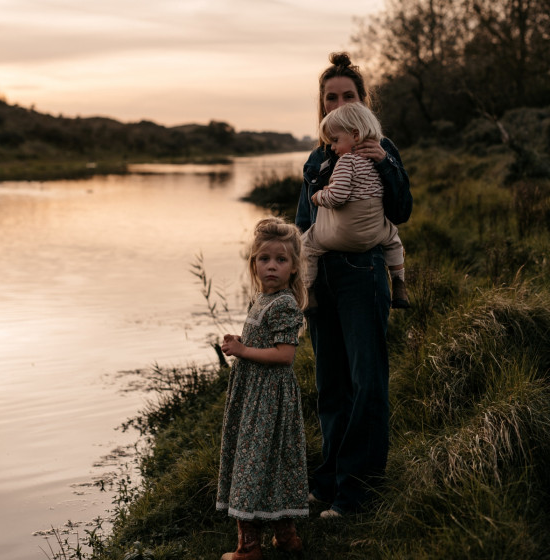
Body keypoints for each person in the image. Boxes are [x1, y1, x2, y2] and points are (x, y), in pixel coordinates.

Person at [295, 52, 412, 518]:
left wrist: (385, 163)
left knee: (367, 382)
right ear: (322, 106)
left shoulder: (383, 149)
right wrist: (297, 282)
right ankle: (330, 482)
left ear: (363, 103)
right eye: (330, 98)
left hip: (364, 276)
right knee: (331, 385)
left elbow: (400, 211)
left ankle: (360, 492)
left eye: (348, 95)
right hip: (323, 279)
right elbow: (305, 221)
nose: (338, 103)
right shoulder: (316, 157)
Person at [216, 217, 309, 560]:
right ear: (253, 263)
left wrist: (242, 352)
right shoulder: (261, 299)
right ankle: (286, 538)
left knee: (253, 463)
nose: (271, 266)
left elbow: (285, 355)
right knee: (268, 463)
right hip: (254, 393)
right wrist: (242, 341)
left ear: (294, 267)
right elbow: (265, 342)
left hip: (269, 398)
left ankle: (248, 548)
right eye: (264, 259)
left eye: (281, 260)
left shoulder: (284, 304)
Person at [302, 101, 409, 310]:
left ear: (356, 135)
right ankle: (399, 282)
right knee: (393, 238)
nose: (332, 147)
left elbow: (338, 197)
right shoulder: (376, 162)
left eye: (335, 140)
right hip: (374, 234)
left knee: (307, 243)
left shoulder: (346, 162)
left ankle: (308, 291)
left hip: (344, 235)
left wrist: (319, 196)